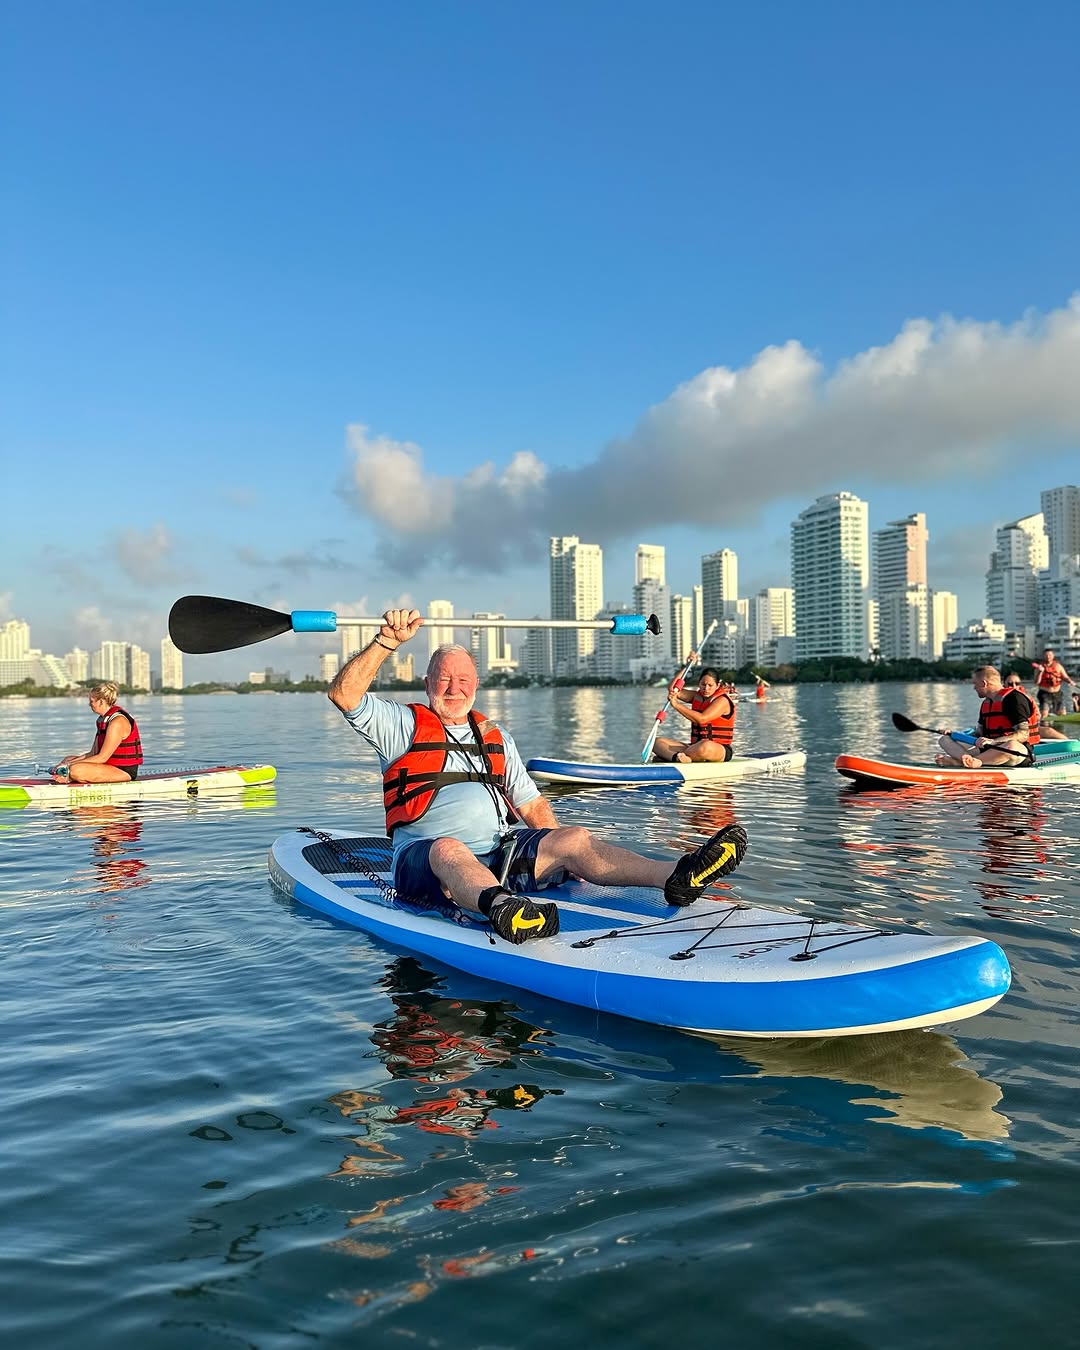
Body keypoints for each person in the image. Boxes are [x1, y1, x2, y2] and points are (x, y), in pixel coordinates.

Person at [328, 610, 748, 945]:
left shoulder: (494, 736)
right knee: (449, 848)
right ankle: (502, 909)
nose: (454, 688)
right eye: (444, 679)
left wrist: (563, 857)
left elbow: (531, 805)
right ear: (427, 683)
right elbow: (344, 695)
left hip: (498, 857)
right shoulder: (399, 725)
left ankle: (676, 875)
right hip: (425, 864)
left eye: (463, 679)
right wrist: (387, 641)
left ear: (476, 684)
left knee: (574, 838)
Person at [936, 666, 1036, 768]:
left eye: (975, 684)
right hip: (989, 750)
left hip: (1015, 752)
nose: (974, 688)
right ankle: (966, 760)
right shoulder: (986, 703)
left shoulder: (1015, 699)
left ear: (984, 683)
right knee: (945, 740)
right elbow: (978, 734)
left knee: (1012, 745)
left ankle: (964, 762)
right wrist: (954, 734)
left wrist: (994, 741)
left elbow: (1024, 734)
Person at [52, 682, 143, 783]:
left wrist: (68, 766)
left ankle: (70, 777)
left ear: (101, 702)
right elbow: (93, 753)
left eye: (91, 701)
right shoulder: (102, 720)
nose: (89, 704)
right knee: (68, 759)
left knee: (76, 770)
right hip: (108, 766)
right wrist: (67, 762)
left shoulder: (117, 722)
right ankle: (70, 775)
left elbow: (102, 758)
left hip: (123, 770)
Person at [652, 666, 737, 764]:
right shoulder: (696, 696)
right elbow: (673, 689)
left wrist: (676, 705)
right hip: (694, 747)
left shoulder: (722, 701)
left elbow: (702, 719)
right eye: (703, 684)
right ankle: (676, 758)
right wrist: (686, 667)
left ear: (717, 686)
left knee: (704, 746)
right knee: (656, 742)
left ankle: (668, 756)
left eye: (710, 685)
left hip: (717, 749)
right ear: (698, 683)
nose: (706, 688)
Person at [1002, 673, 1068, 741]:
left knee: (1050, 730)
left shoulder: (1024, 697)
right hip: (1015, 732)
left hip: (1028, 730)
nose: (1014, 686)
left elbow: (1037, 716)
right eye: (1010, 684)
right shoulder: (1003, 699)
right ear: (1004, 685)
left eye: (1017, 683)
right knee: (1048, 731)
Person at [1033, 648, 1074, 718]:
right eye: (1046, 655)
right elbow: (1037, 682)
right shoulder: (1039, 667)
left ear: (1053, 656)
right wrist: (1040, 672)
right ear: (1043, 656)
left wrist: (1070, 681)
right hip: (1044, 694)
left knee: (1062, 713)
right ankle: (1044, 719)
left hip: (1057, 693)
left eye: (1050, 655)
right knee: (1044, 714)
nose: (1048, 657)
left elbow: (1065, 677)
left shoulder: (1058, 666)